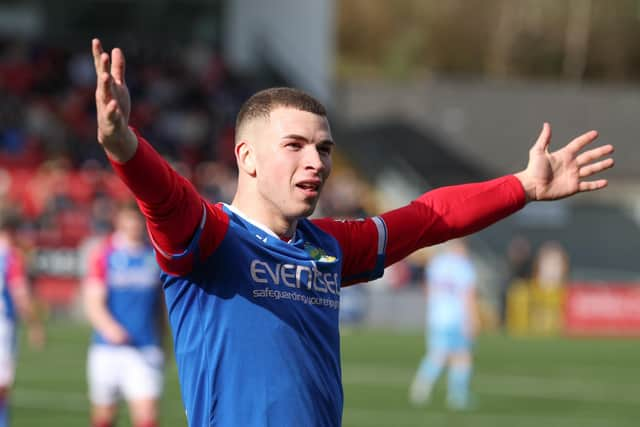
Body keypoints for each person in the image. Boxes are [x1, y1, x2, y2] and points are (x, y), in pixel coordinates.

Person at [90, 38, 614, 426]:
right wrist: (121, 142)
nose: (316, 161)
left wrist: (522, 185)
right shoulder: (208, 237)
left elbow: (430, 217)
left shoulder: (329, 247)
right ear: (245, 157)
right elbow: (162, 195)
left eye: (324, 149)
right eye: (295, 146)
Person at [83, 201, 164, 427]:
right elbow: (93, 301)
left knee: (147, 416)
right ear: (119, 220)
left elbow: (161, 306)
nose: (134, 224)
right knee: (104, 416)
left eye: (138, 219)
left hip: (145, 347)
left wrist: (164, 340)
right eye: (129, 218)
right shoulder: (105, 254)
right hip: (108, 349)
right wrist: (110, 328)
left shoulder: (155, 255)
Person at [409, 239, 479, 410]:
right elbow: (467, 296)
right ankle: (457, 395)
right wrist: (473, 319)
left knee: (438, 354)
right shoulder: (464, 266)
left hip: (437, 317)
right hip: (456, 317)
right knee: (461, 356)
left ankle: (421, 387)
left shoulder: (437, 263)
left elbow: (428, 289)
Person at [0, 211, 45, 427]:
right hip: (3, 327)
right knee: (2, 388)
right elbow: (21, 295)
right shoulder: (11, 256)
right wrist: (35, 326)